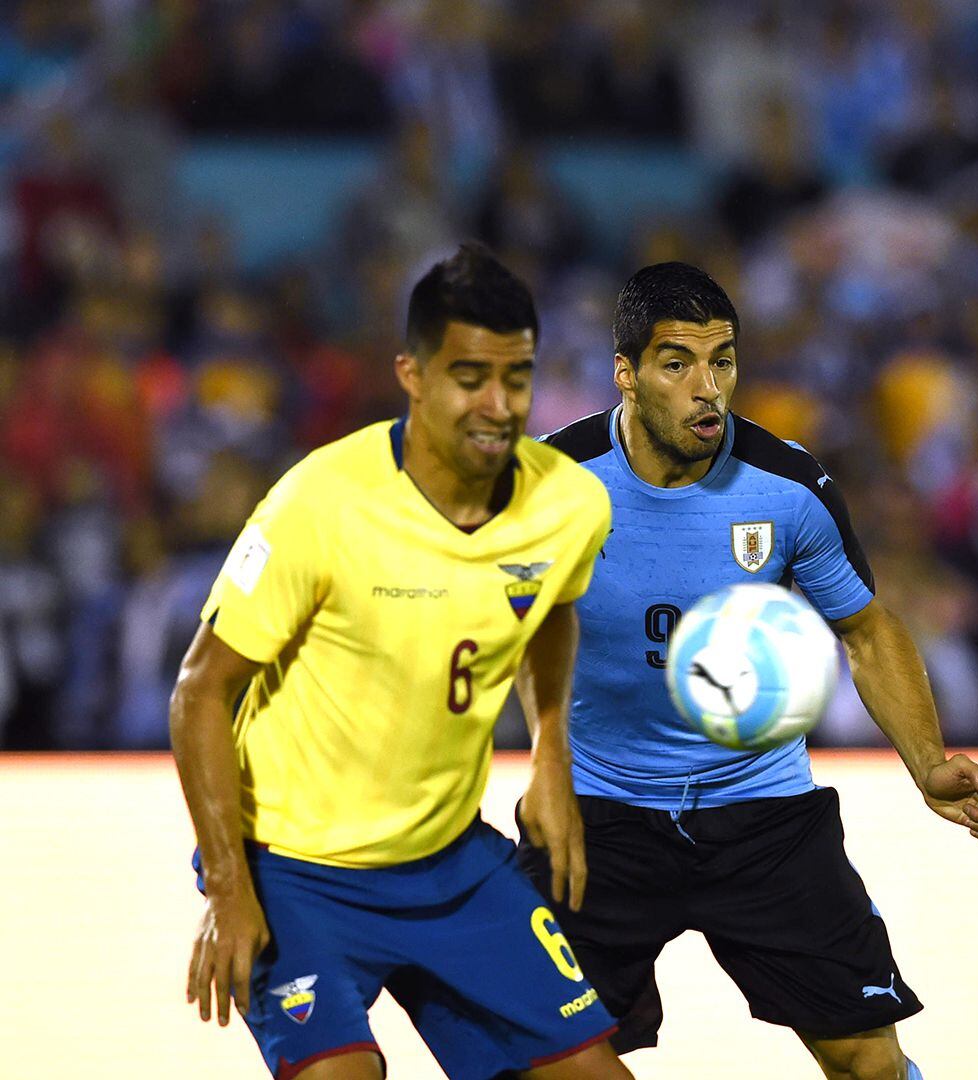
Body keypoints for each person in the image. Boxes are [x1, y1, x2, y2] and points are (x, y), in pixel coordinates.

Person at [520, 261, 978, 1080]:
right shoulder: (549, 485)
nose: (707, 388)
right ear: (626, 376)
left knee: (870, 1062)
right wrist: (544, 762)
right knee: (548, 1061)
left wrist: (928, 762)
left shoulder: (789, 487)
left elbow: (866, 629)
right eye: (677, 363)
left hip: (761, 816)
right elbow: (508, 631)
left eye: (724, 361)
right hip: (599, 812)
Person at [169, 244, 632, 1080]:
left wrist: (553, 749)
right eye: (469, 377)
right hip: (292, 871)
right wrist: (228, 889)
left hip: (447, 860)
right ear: (411, 375)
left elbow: (552, 609)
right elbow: (200, 691)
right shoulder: (320, 502)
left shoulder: (569, 504)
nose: (498, 405)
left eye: (517, 377)